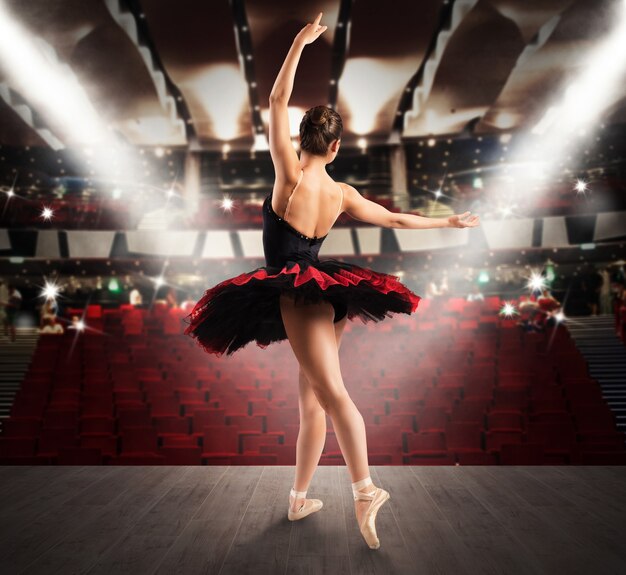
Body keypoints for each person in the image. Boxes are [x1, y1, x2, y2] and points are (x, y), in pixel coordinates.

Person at [183, 12, 479, 551]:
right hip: (327, 294)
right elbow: (395, 219)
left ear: (299, 140)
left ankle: (364, 490)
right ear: (337, 148)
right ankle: (299, 498)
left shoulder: (289, 178)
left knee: (333, 396)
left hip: (299, 295)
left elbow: (275, 101)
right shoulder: (340, 193)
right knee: (312, 401)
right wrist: (448, 222)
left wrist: (299, 42)